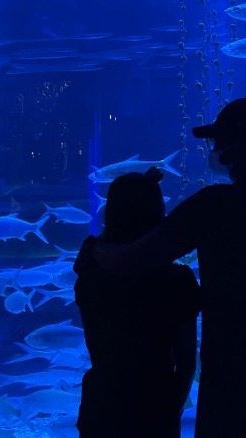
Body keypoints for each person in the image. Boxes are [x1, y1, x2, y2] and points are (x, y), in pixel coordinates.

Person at [75, 97, 246, 437]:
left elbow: (134, 261)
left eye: (216, 141)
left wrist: (94, 248)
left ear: (236, 145)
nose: (212, 148)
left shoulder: (212, 207)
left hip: (231, 388)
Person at [73, 168, 200, 438]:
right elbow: (187, 361)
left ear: (111, 212)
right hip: (156, 402)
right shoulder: (177, 280)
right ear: (159, 213)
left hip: (102, 403)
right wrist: (172, 410)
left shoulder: (89, 271)